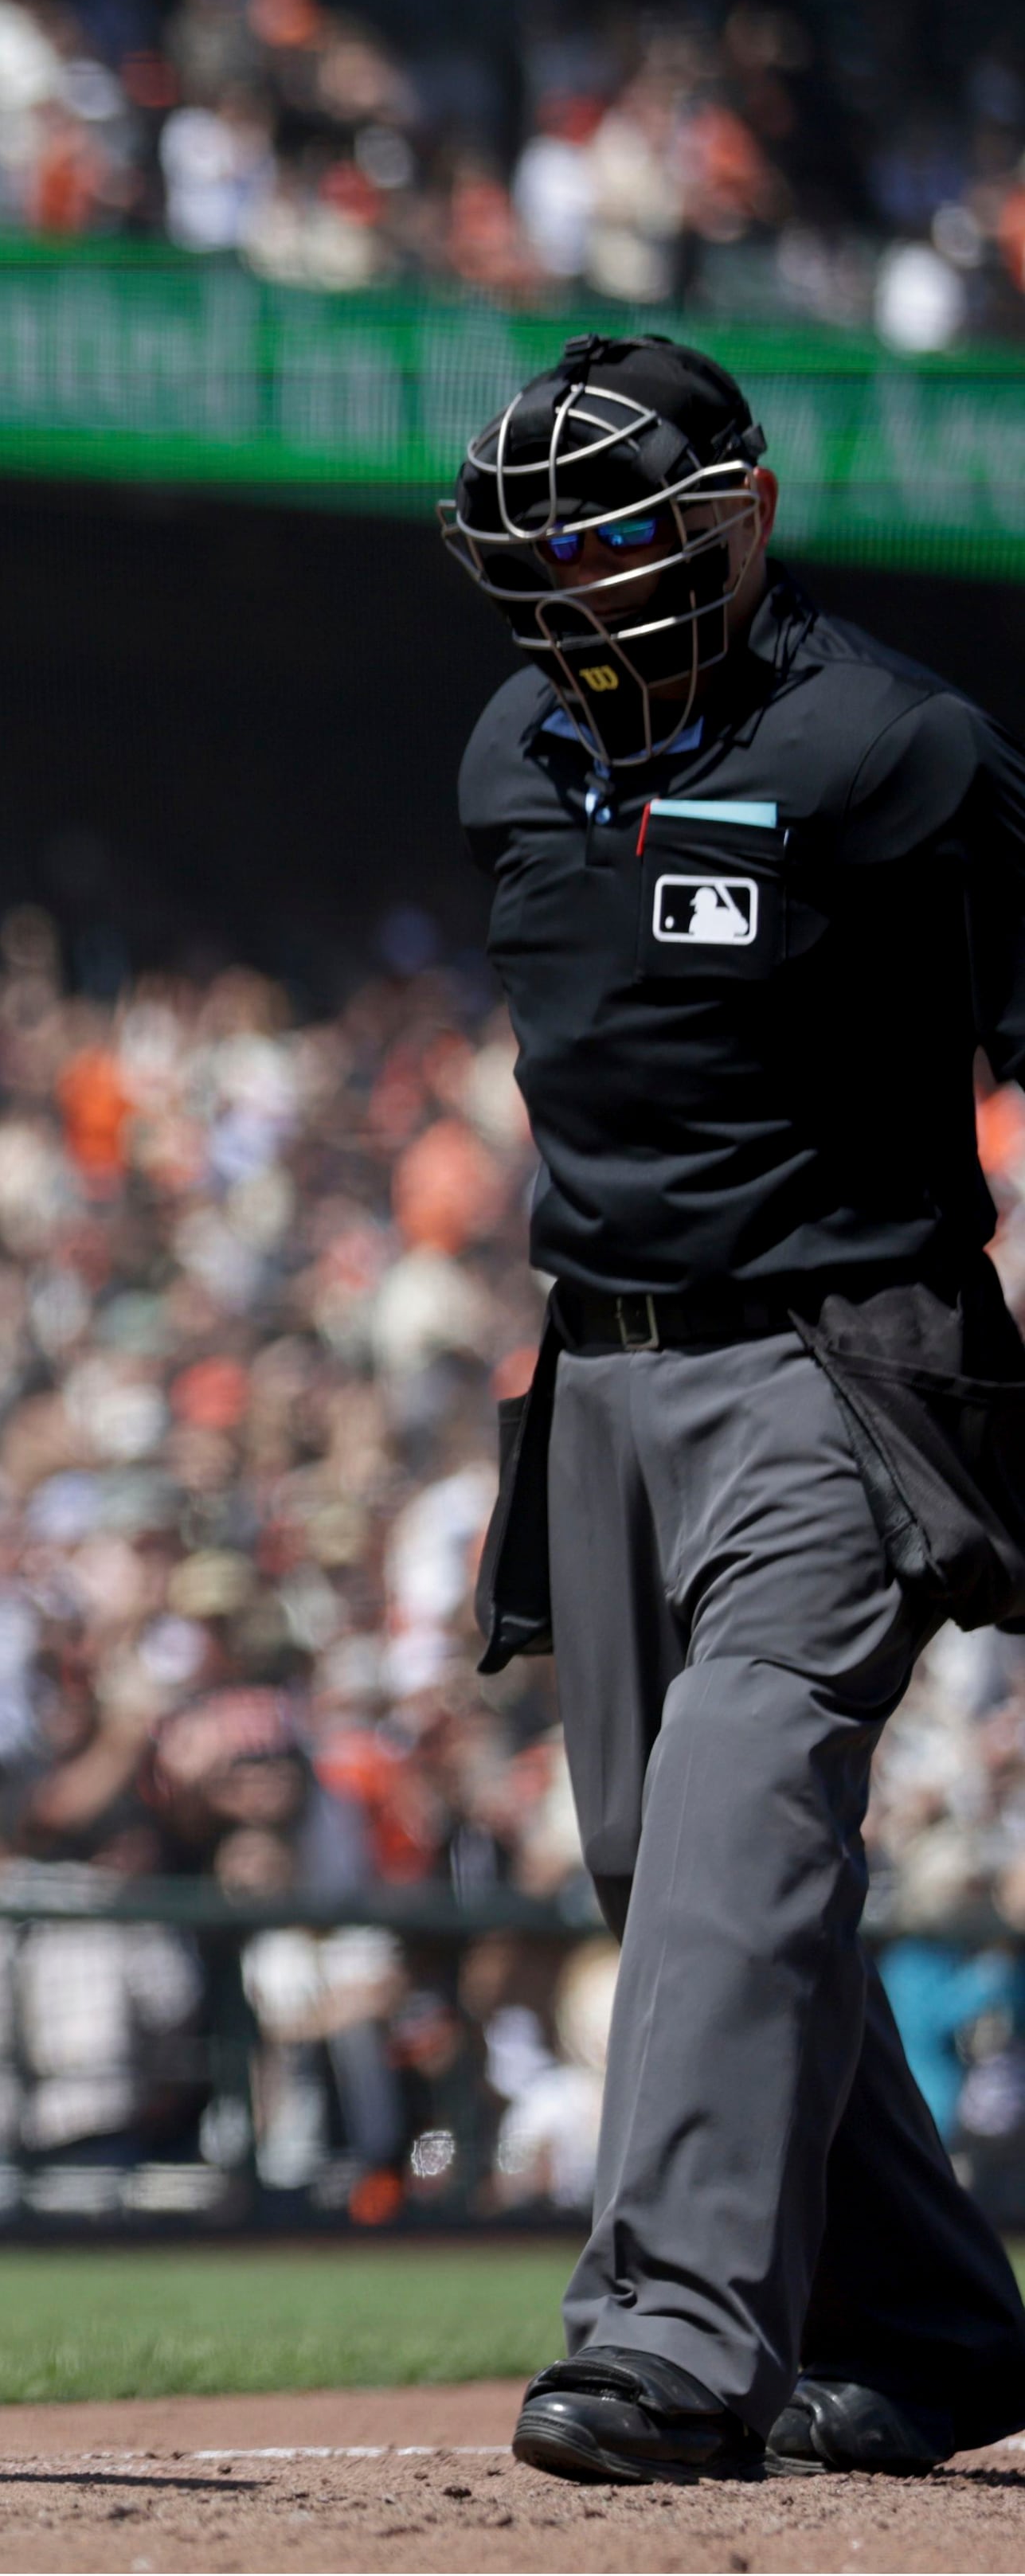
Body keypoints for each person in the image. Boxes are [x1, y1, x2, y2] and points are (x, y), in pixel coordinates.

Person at [449, 332, 1025, 2483]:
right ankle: (946, 2328)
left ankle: (673, 2345)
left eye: (609, 544)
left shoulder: (898, 746)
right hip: (594, 1375)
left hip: (834, 1368)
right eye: (534, 556)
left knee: (727, 1842)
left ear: (739, 519)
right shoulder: (514, 745)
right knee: (665, 1864)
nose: (567, 593)